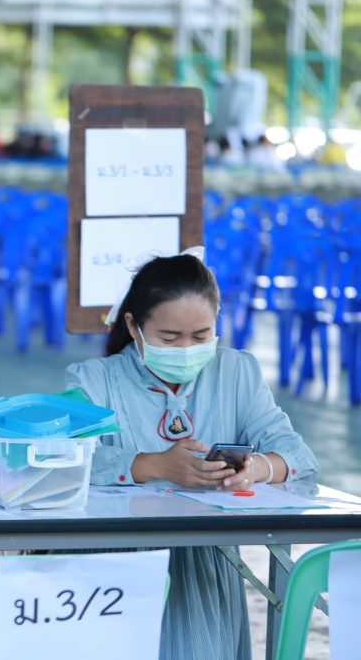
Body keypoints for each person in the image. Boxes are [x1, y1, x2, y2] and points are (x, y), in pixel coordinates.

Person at [65, 251, 319, 660]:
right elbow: (65, 462)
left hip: (205, 567)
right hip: (112, 565)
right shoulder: (93, 380)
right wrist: (152, 465)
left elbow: (298, 456)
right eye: (169, 339)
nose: (186, 349)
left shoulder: (237, 372)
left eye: (201, 336)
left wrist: (255, 468)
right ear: (133, 326)